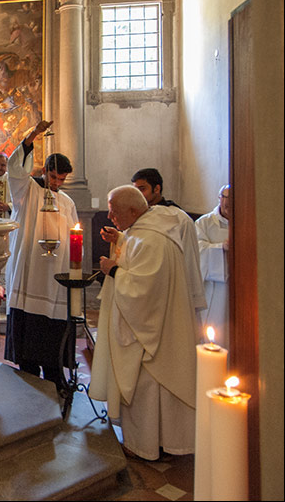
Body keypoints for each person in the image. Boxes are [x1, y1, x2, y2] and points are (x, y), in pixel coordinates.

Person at [91, 185, 197, 461]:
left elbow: (145, 289)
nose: (110, 216)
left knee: (149, 386)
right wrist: (120, 238)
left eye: (115, 213)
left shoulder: (153, 240)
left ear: (134, 211)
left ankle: (147, 445)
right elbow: (136, 249)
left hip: (152, 334)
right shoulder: (146, 228)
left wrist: (112, 269)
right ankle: (157, 441)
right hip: (155, 325)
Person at [4, 119, 79, 391]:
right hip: (30, 271)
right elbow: (15, 167)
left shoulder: (67, 202)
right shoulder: (27, 191)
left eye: (62, 179)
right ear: (45, 171)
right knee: (29, 327)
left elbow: (73, 235)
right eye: (54, 177)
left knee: (53, 325)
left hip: (55, 276)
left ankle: (54, 376)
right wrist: (33, 135)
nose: (57, 183)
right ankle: (28, 377)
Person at [131, 167, 207, 323]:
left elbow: (189, 259)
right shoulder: (137, 218)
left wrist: (191, 298)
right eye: (135, 191)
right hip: (148, 289)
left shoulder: (179, 218)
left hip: (175, 288)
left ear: (157, 188)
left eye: (142, 189)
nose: (139, 195)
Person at [195, 184, 231, 348]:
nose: (229, 203)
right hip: (215, 288)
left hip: (241, 286)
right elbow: (197, 251)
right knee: (217, 331)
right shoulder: (204, 223)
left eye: (233, 199)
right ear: (220, 198)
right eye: (226, 198)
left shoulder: (247, 221)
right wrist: (221, 248)